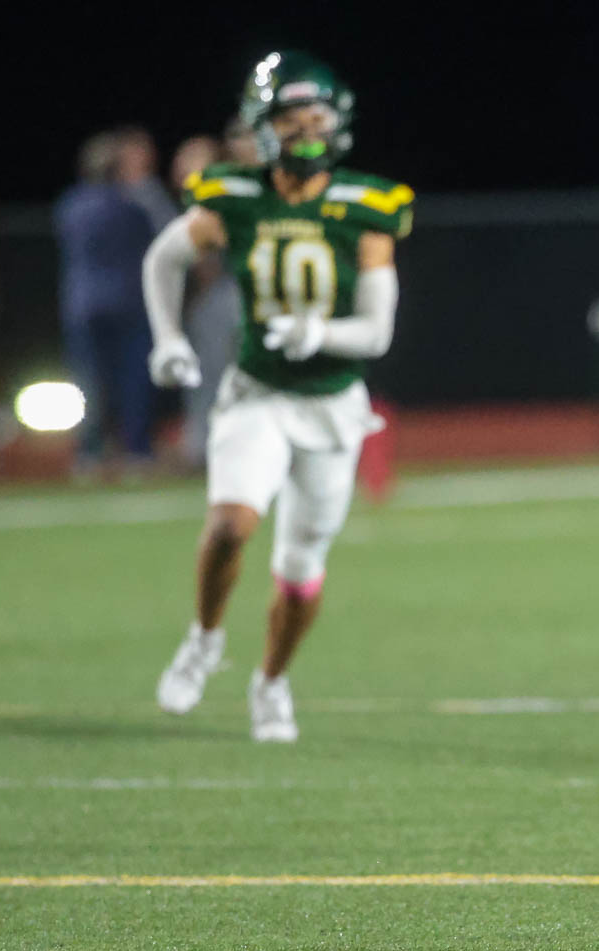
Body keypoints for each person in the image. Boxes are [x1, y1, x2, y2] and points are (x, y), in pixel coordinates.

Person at [143, 51, 412, 742]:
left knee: (300, 569)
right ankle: (205, 639)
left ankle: (270, 682)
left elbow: (378, 331)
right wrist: (167, 337)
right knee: (230, 526)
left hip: (332, 405)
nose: (306, 131)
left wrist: (321, 332)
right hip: (257, 394)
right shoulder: (235, 196)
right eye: (291, 119)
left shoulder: (365, 206)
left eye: (316, 117)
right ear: (263, 127)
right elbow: (164, 258)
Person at [55, 130, 158, 475]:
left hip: (83, 304)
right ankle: (136, 450)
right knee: (132, 380)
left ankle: (90, 451)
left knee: (89, 380)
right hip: (128, 303)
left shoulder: (70, 205)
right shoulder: (132, 206)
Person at [167, 134, 241, 466]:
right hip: (221, 297)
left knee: (213, 374)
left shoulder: (214, 197)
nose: (182, 167)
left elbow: (206, 263)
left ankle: (207, 447)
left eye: (191, 160)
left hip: (224, 296)